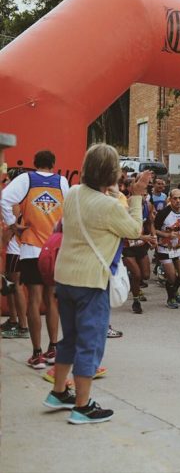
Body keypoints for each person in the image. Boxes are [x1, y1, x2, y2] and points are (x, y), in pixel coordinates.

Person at [45, 143, 150, 423]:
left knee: (70, 338)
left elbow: (100, 204)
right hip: (91, 282)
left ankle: (59, 392)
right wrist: (136, 196)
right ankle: (82, 406)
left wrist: (116, 192)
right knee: (90, 343)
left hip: (64, 276)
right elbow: (134, 229)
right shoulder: (108, 206)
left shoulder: (74, 193)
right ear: (112, 173)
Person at [2, 150, 68, 369]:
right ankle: (54, 349)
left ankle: (37, 353)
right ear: (54, 164)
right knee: (52, 300)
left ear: (34, 163)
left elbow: (4, 199)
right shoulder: (62, 182)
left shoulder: (26, 179)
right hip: (54, 249)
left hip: (31, 248)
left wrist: (13, 224)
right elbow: (68, 212)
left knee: (33, 299)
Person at [121, 178, 157, 314]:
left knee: (146, 275)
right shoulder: (124, 204)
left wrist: (154, 237)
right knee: (137, 274)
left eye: (145, 193)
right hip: (127, 246)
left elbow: (150, 223)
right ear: (131, 189)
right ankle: (136, 301)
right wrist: (143, 237)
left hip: (141, 246)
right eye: (141, 193)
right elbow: (123, 229)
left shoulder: (147, 206)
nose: (143, 196)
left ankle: (132, 279)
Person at [154, 189, 180, 309]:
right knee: (171, 276)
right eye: (175, 198)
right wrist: (167, 235)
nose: (178, 201)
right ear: (170, 199)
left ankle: (173, 290)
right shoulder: (164, 213)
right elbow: (153, 229)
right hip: (165, 248)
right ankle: (171, 297)